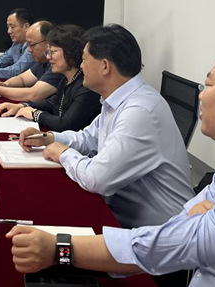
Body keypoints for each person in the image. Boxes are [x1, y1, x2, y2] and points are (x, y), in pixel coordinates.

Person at [9, 41, 215, 286]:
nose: (201, 96)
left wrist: (59, 249)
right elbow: (179, 231)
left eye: (209, 86)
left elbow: (167, 245)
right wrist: (196, 225)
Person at [18, 24, 193, 229]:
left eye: (84, 60)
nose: (81, 66)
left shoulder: (139, 111)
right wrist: (50, 139)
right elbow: (88, 138)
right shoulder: (118, 99)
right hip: (125, 216)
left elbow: (96, 179)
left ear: (104, 66)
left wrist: (63, 153)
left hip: (158, 233)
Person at [0, 24, 101, 132]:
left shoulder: (87, 86)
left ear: (70, 52)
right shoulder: (66, 79)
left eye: (52, 52)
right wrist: (23, 106)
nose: (48, 57)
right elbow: (52, 103)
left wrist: (36, 114)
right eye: (48, 52)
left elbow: (65, 124)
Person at [0, 20, 61, 101]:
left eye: (32, 45)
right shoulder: (43, 62)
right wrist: (4, 84)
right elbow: (22, 79)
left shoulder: (58, 65)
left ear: (48, 43)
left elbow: (34, 94)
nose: (29, 50)